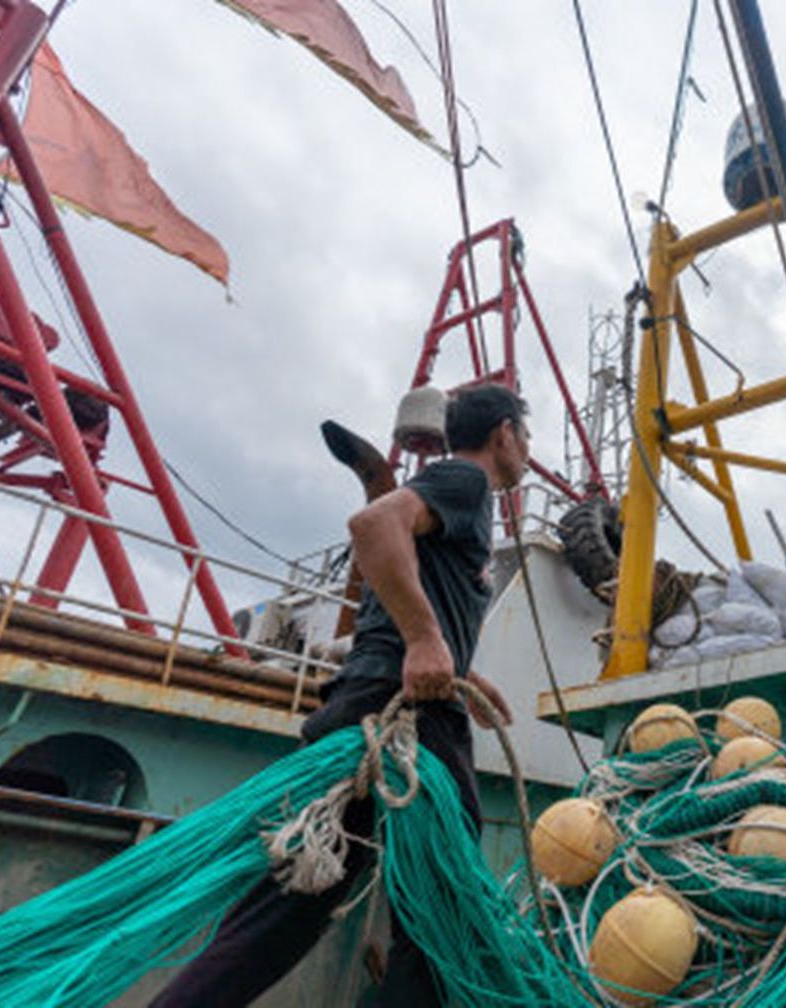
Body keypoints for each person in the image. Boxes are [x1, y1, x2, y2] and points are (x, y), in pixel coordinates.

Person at [153, 384, 529, 1007]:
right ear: (505, 434)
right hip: (407, 724)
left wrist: (454, 664)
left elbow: (395, 580)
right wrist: (424, 640)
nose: (527, 453)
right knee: (448, 915)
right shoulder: (464, 482)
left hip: (371, 703)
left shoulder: (448, 498)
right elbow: (373, 523)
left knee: (286, 913)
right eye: (526, 438)